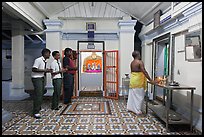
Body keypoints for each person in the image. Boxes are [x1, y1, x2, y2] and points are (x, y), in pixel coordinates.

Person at [127, 51, 155, 115]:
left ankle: (131, 108)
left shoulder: (132, 63)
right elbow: (144, 71)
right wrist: (150, 79)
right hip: (138, 81)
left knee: (133, 95)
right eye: (139, 54)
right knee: (139, 96)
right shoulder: (140, 62)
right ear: (138, 55)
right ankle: (137, 110)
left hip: (133, 81)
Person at [31, 48, 52, 118]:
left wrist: (47, 70)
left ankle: (38, 107)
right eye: (49, 53)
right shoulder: (38, 60)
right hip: (37, 78)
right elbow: (34, 69)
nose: (49, 55)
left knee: (41, 93)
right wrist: (44, 70)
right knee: (38, 94)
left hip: (41, 77)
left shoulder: (44, 61)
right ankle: (35, 112)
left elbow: (42, 70)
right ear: (45, 53)